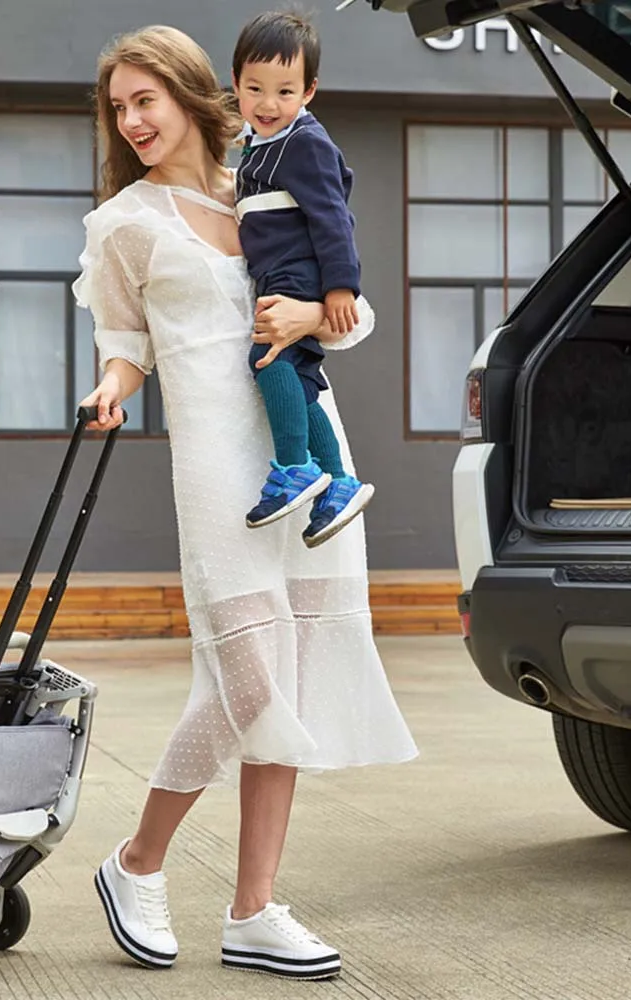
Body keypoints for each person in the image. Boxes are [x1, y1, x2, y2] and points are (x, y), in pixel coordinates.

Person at [74, 24, 417, 981]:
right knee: (247, 680)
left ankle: (253, 909)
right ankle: (138, 862)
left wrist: (315, 314)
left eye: (146, 99)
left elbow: (352, 309)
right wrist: (111, 387)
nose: (133, 120)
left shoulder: (271, 169)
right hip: (224, 469)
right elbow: (124, 338)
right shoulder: (124, 224)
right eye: (120, 108)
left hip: (309, 456)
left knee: (292, 679)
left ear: (190, 96)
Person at [233, 11, 375, 544]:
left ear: (309, 91)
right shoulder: (259, 144)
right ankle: (338, 482)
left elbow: (333, 215)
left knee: (265, 356)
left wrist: (341, 286)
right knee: (304, 384)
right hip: (280, 272)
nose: (268, 105)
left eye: (285, 91)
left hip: (298, 275)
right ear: (236, 84)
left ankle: (295, 467)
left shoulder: (305, 144)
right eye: (255, 89)